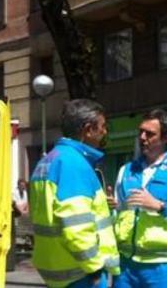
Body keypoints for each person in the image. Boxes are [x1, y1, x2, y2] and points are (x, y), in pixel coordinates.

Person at [29, 99, 119, 288]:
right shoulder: (73, 163)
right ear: (88, 129)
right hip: (81, 274)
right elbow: (76, 225)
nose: (105, 132)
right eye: (102, 127)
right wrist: (94, 268)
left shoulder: (50, 160)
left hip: (57, 268)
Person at [113, 109, 167, 288]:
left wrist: (160, 206)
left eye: (150, 134)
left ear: (166, 138)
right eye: (141, 132)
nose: (143, 137)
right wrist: (109, 207)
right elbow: (119, 213)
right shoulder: (126, 170)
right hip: (127, 267)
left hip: (164, 267)